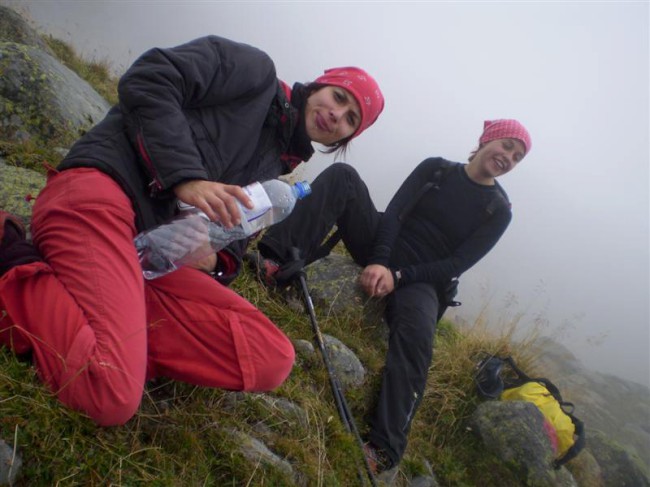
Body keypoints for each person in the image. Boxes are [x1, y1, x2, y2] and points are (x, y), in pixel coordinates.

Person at [0, 35, 384, 426]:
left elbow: (230, 252)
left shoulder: (277, 168)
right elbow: (151, 78)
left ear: (344, 139)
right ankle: (10, 250)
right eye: (339, 97)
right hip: (105, 193)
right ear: (318, 86)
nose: (337, 115)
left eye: (351, 119)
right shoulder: (255, 73)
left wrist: (213, 258)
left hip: (149, 258)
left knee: (270, 356)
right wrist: (185, 178)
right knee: (109, 393)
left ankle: (110, 319)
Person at [248, 119, 532, 473]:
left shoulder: (498, 211)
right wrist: (380, 260)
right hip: (384, 244)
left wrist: (398, 276)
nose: (509, 157)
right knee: (344, 178)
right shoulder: (437, 169)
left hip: (422, 281)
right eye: (507, 146)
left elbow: (456, 263)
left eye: (517, 157)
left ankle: (384, 445)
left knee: (417, 339)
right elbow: (396, 212)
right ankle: (274, 260)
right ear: (487, 140)